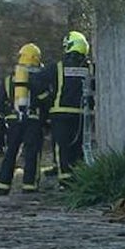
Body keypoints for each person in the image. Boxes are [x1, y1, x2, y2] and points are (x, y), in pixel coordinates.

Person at [0, 42, 51, 195]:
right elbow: (45, 100)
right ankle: (29, 186)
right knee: (32, 153)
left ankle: (2, 186)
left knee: (11, 153)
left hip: (13, 121)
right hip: (33, 120)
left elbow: (0, 103)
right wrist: (47, 120)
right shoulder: (40, 77)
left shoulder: (10, 79)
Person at [44, 30, 93, 187]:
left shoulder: (57, 67)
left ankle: (65, 180)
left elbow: (38, 81)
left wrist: (46, 100)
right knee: (78, 147)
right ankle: (79, 178)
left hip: (61, 113)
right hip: (83, 115)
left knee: (62, 147)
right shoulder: (90, 68)